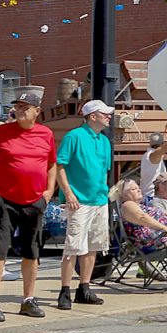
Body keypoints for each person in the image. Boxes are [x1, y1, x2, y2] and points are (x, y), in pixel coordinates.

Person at [0, 86, 58, 322]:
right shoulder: (2, 133)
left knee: (31, 252)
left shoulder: (46, 134)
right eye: (17, 107)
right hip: (5, 200)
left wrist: (49, 191)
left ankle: (28, 299)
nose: (20, 110)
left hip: (34, 201)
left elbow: (51, 164)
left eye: (25, 107)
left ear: (37, 111)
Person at [55, 99, 114, 311]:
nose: (108, 116)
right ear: (92, 116)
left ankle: (84, 288)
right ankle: (64, 290)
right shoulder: (74, 136)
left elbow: (104, 170)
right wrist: (68, 193)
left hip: (99, 200)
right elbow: (60, 165)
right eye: (104, 113)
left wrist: (105, 193)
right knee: (73, 247)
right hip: (78, 202)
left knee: (93, 246)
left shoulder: (104, 141)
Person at [140, 123, 167, 199]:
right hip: (152, 197)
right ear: (162, 144)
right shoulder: (153, 155)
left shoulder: (147, 155)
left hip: (151, 195)